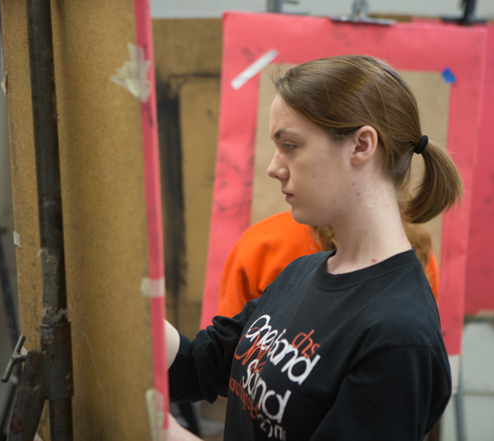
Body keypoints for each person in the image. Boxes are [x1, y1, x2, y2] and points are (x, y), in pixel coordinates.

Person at [165, 55, 462, 440]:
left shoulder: (400, 337)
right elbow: (194, 367)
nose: (274, 167)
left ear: (361, 145)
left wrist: (164, 434)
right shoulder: (300, 274)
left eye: (290, 145)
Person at [217, 212, 440, 320]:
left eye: (291, 146)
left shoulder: (263, 244)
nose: (274, 168)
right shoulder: (414, 254)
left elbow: (231, 355)